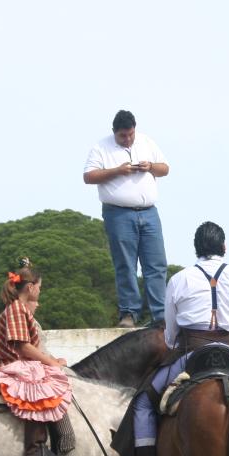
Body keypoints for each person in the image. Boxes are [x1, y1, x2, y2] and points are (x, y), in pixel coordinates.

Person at [131, 221, 229, 456]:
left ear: (196, 249)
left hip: (191, 354)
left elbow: (171, 334)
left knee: (142, 402)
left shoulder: (179, 279)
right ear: (224, 247)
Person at [0, 259, 73, 456]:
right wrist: (51, 363)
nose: (40, 292)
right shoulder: (16, 310)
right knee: (39, 385)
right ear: (30, 288)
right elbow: (23, 347)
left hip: (16, 361)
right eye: (39, 288)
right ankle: (34, 449)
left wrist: (52, 362)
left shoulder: (19, 309)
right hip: (8, 362)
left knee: (45, 377)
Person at [83, 109, 170, 328]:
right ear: (114, 132)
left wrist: (149, 166)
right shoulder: (101, 147)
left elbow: (165, 168)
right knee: (125, 265)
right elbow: (89, 176)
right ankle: (129, 313)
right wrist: (118, 171)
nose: (128, 139)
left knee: (156, 264)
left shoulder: (146, 141)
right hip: (118, 212)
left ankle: (159, 314)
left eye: (130, 134)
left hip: (149, 211)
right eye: (123, 135)